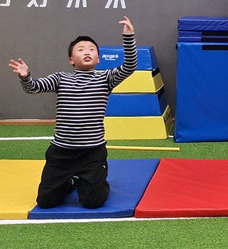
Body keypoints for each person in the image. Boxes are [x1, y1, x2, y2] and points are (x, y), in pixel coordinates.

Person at [8, 17, 136, 209]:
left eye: (92, 49)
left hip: (92, 152)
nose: (87, 52)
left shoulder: (105, 79)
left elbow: (130, 66)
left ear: (98, 59)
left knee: (93, 202)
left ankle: (95, 181)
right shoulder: (61, 78)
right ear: (71, 60)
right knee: (46, 202)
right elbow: (34, 87)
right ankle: (70, 181)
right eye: (81, 49)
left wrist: (129, 37)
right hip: (62, 152)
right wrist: (25, 77)